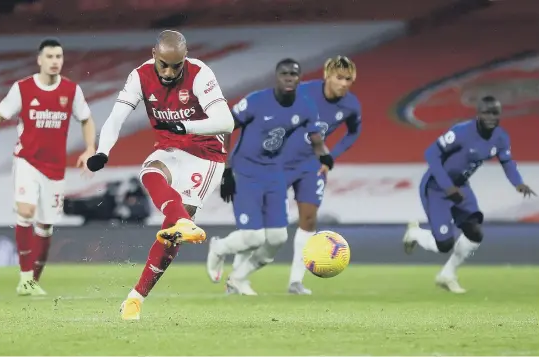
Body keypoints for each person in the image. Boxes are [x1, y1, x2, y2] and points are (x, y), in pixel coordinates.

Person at [86, 30, 234, 320]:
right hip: (170, 147)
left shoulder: (200, 72)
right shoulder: (140, 76)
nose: (168, 72)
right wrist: (102, 151)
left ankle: (135, 298)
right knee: (149, 172)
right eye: (163, 64)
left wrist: (187, 126)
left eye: (176, 66)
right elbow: (116, 117)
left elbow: (226, 122)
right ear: (154, 54)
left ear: (185, 58)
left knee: (172, 234)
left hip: (205, 154)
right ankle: (183, 221)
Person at [0, 38, 96, 296]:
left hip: (55, 168)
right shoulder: (23, 89)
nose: (54, 62)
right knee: (26, 211)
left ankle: (33, 281)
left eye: (58, 57)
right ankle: (25, 276)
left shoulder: (72, 91)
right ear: (39, 60)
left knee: (46, 225)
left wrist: (89, 149)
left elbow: (86, 120)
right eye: (49, 56)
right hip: (26, 160)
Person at [205, 58, 334, 295]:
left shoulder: (305, 106)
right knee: (253, 237)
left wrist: (324, 156)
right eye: (284, 74)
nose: (288, 78)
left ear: (299, 78)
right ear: (276, 77)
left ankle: (238, 278)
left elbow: (316, 138)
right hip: (245, 171)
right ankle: (219, 247)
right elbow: (225, 127)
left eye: (293, 74)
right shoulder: (256, 101)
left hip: (274, 172)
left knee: (276, 238)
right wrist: (225, 170)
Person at [235, 55, 361, 294]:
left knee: (309, 219)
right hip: (278, 164)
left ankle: (295, 281)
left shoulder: (351, 105)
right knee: (260, 227)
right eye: (339, 78)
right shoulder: (302, 92)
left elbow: (354, 132)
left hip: (311, 166)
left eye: (349, 79)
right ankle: (238, 274)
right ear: (327, 76)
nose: (344, 84)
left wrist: (331, 155)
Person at [402, 95, 536, 293]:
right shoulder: (461, 132)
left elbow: (507, 162)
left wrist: (518, 183)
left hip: (461, 186)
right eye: (486, 112)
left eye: (495, 113)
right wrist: (448, 187)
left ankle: (447, 275)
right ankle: (415, 233)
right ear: (478, 114)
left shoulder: (500, 137)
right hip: (437, 187)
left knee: (474, 232)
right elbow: (431, 154)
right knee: (444, 244)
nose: (491, 117)